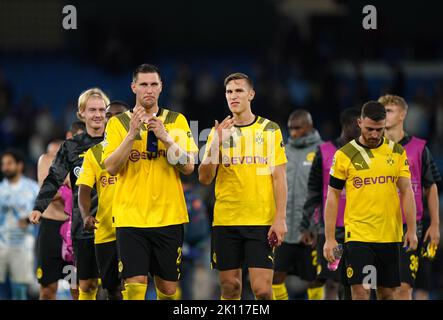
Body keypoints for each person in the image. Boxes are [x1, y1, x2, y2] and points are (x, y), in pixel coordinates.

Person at [103, 64, 198, 300]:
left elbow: (188, 167)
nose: (149, 90)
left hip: (169, 216)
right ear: (133, 86)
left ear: (161, 87)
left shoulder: (177, 121)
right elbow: (112, 166)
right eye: (143, 84)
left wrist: (166, 138)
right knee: (134, 287)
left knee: (168, 289)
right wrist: (131, 135)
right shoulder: (118, 124)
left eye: (154, 84)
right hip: (130, 217)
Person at [199, 72, 287, 300]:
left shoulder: (270, 129)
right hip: (226, 221)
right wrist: (217, 143)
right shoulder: (217, 133)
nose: (233, 96)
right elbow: (205, 178)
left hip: (261, 221)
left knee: (263, 291)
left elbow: (279, 177)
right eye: (229, 92)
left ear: (251, 94)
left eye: (239, 91)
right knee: (230, 288)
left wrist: (280, 218)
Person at [323, 101, 418, 300]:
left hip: (389, 235)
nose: (374, 135)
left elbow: (407, 191)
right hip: (358, 235)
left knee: (387, 294)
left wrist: (411, 229)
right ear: (359, 123)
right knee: (361, 292)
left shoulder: (397, 152)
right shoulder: (344, 155)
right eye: (369, 129)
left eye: (379, 130)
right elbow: (332, 196)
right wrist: (330, 238)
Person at [29, 88, 109, 300]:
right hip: (82, 226)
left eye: (102, 109)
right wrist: (39, 206)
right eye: (92, 109)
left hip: (114, 224)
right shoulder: (71, 147)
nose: (98, 114)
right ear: (81, 113)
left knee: (116, 287)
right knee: (86, 285)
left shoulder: (116, 143)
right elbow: (54, 177)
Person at [378, 94, 441, 300]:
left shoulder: (419, 147)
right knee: (384, 291)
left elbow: (430, 186)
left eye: (389, 111)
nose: (384, 115)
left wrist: (435, 224)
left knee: (404, 288)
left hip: (409, 226)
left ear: (403, 114)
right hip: (377, 225)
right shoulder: (370, 149)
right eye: (382, 111)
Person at [301, 108, 361, 300]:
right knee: (331, 281)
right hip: (332, 229)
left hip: (360, 228)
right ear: (346, 125)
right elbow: (313, 190)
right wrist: (308, 224)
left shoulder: (366, 154)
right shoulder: (325, 151)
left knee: (355, 283)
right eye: (357, 125)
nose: (361, 130)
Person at [77, 101, 129, 300]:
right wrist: (85, 215)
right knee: (112, 289)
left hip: (135, 225)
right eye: (110, 115)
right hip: (106, 230)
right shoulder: (94, 153)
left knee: (133, 284)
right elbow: (84, 189)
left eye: (120, 114)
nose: (114, 118)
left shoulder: (141, 146)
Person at [272, 109, 324, 300]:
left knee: (316, 280)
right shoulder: (283, 151)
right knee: (275, 277)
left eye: (297, 128)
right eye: (290, 128)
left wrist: (316, 227)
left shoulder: (323, 151)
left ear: (309, 126)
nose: (293, 133)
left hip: (310, 231)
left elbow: (326, 194)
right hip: (285, 230)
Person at [35, 138, 76, 300]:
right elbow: (47, 192)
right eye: (53, 156)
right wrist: (67, 183)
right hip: (50, 232)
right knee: (47, 290)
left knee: (76, 288)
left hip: (72, 234)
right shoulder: (44, 159)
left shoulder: (79, 161)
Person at [0, 149, 39, 300]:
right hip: (2, 244)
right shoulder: (1, 190)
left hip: (24, 245)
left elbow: (44, 213)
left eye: (9, 163)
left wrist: (28, 219)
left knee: (20, 291)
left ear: (20, 165)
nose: (5, 167)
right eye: (3, 164)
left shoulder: (33, 188)